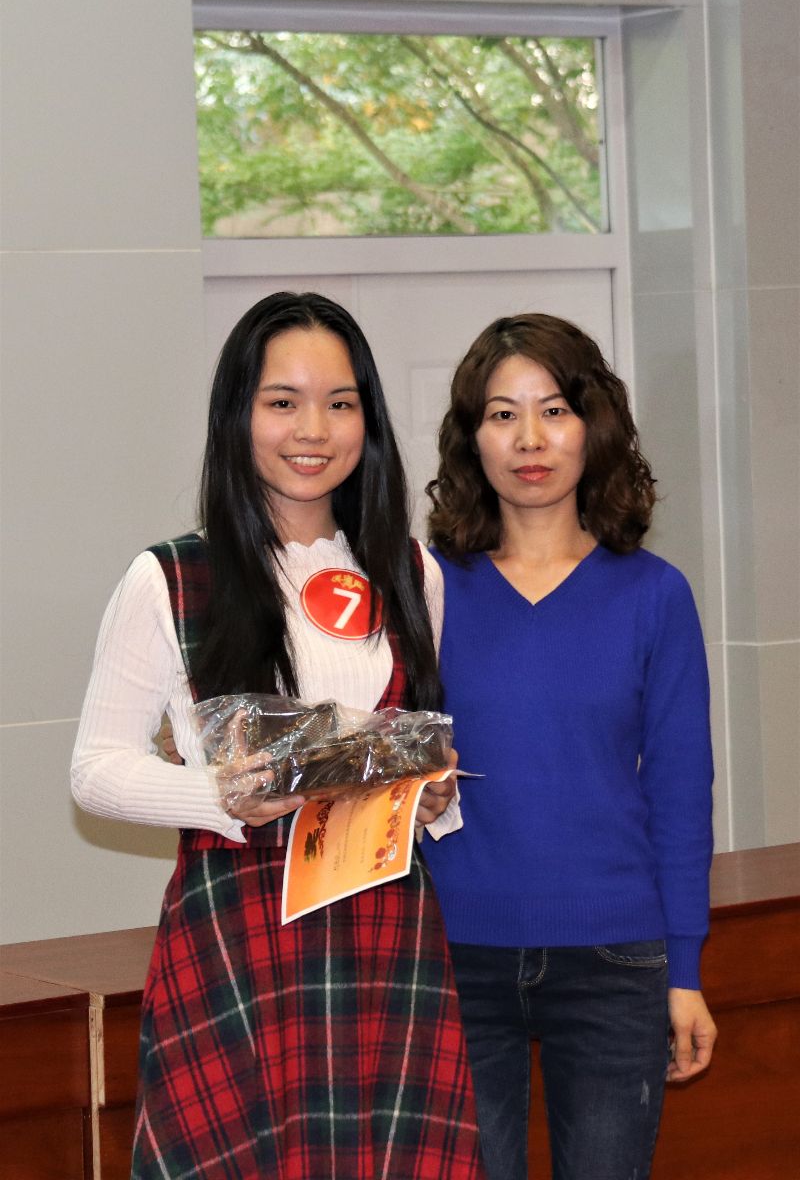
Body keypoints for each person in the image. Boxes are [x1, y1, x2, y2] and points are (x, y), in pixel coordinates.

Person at [71, 292, 485, 1180]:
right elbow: (94, 770)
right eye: (283, 402)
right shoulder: (172, 577)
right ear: (239, 414)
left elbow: (412, 736)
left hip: (385, 928)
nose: (314, 430)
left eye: (340, 403)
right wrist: (218, 794)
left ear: (368, 421)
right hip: (237, 926)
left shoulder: (413, 572)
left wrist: (433, 796)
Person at [421, 312, 717, 1180]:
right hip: (453, 955)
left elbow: (680, 794)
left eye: (554, 410)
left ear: (594, 426)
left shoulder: (655, 595)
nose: (530, 439)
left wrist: (685, 973)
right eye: (502, 414)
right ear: (471, 439)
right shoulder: (425, 587)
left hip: (615, 961)